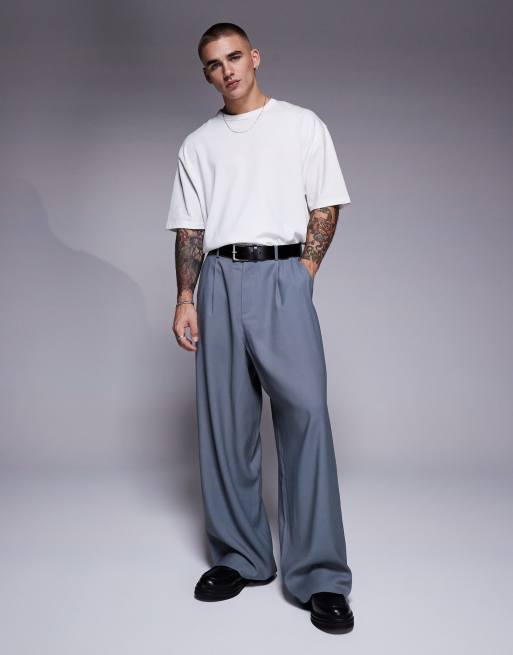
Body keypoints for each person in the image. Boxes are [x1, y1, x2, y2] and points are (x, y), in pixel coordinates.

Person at [165, 22, 354, 634]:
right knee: (226, 424)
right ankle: (240, 556)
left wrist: (303, 274)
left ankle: (319, 576)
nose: (227, 70)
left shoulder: (301, 125)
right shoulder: (197, 144)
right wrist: (186, 296)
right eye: (214, 64)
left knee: (306, 417)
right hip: (218, 279)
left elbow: (325, 203)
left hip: (281, 275)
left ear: (255, 57)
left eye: (234, 57)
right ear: (206, 75)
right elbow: (190, 228)